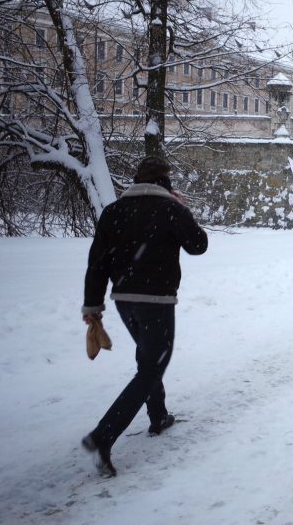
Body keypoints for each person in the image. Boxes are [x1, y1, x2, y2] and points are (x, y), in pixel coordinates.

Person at [81, 156, 208, 477]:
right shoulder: (171, 209)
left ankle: (158, 415)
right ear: (165, 181)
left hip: (124, 299)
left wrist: (92, 305)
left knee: (149, 360)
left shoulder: (114, 211)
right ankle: (104, 435)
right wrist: (183, 211)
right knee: (152, 366)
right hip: (157, 299)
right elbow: (198, 245)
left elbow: (96, 262)